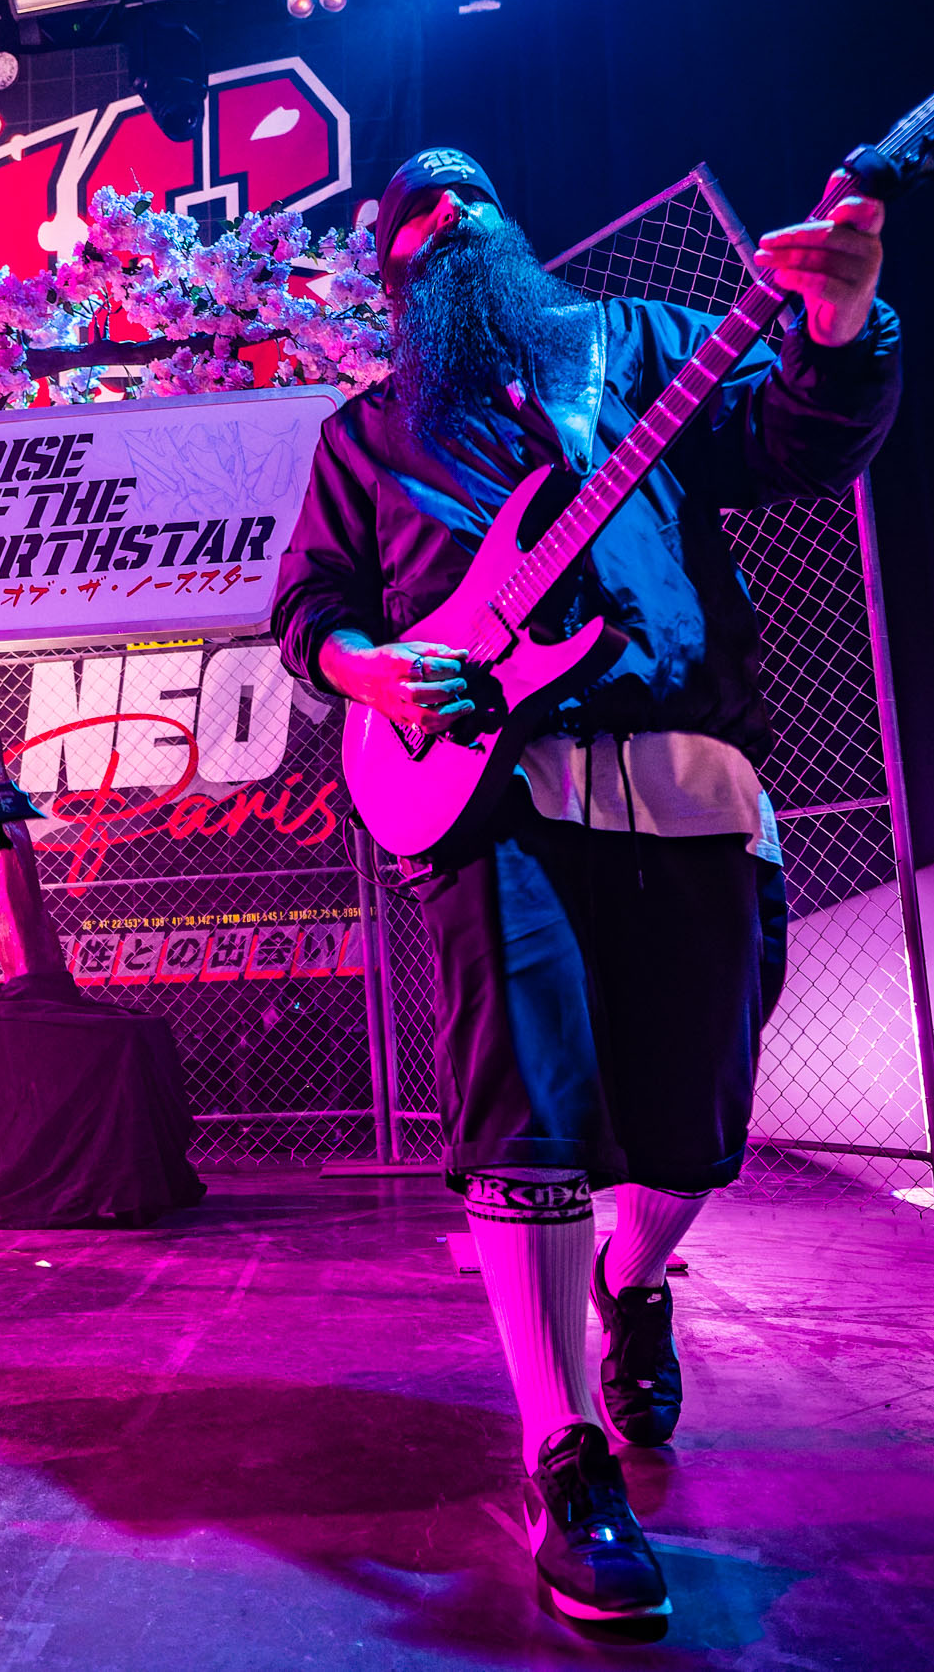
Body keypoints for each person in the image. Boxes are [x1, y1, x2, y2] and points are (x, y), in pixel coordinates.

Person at [272, 149, 899, 1622]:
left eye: (468, 201)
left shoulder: (646, 346)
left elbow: (798, 446)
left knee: (695, 1124)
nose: (444, 221)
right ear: (391, 280)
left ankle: (634, 1276)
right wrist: (369, 667)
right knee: (528, 1112)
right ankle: (564, 1452)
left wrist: (840, 329)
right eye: (411, 222)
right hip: (491, 794)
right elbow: (309, 609)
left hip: (689, 777)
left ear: (512, 226)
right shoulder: (368, 434)